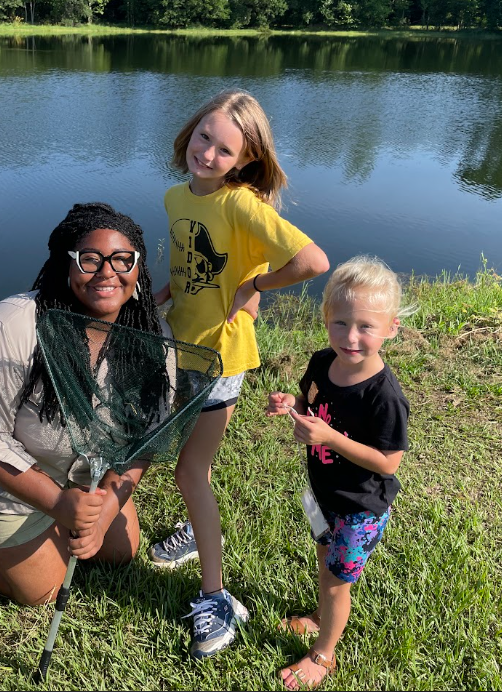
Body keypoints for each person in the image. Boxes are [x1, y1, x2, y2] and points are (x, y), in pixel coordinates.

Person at [149, 88, 330, 659]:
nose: (208, 153)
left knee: (190, 471)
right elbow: (191, 270)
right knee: (187, 464)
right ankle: (195, 532)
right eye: (204, 137)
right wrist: (152, 299)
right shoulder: (177, 197)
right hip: (180, 346)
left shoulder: (241, 204)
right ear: (191, 131)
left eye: (225, 150)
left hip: (222, 357)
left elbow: (312, 261)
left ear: (244, 161)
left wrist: (255, 286)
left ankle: (216, 595)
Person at [0, 202, 164, 606]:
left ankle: (61, 521)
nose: (107, 272)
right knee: (44, 592)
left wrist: (105, 509)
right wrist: (55, 503)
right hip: (8, 480)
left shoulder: (150, 336)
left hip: (83, 474)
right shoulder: (11, 326)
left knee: (121, 554)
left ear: (138, 270)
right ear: (66, 266)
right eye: (90, 259)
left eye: (122, 260)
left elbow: (147, 437)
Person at [268, 255, 412, 689]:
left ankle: (324, 655)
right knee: (324, 565)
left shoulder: (384, 396)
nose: (351, 337)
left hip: (360, 507)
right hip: (324, 494)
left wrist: (329, 439)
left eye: (366, 326)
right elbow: (308, 401)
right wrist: (291, 406)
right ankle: (319, 618)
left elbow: (388, 463)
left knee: (335, 583)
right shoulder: (320, 362)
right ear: (326, 318)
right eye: (340, 323)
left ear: (391, 328)